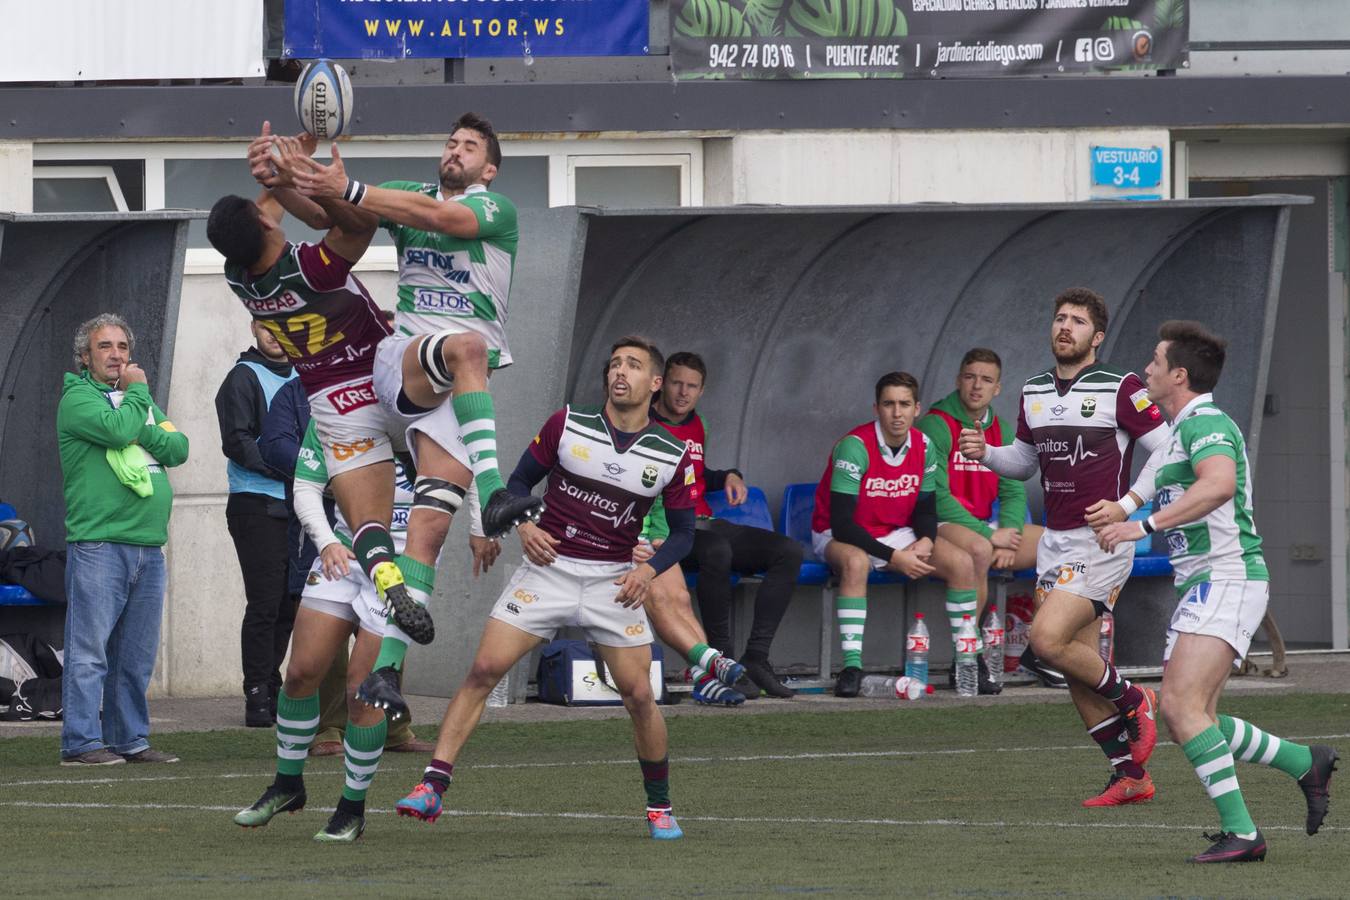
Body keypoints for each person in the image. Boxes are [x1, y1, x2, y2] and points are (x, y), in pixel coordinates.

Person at [272, 113, 542, 714]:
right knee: (467, 344)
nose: (455, 150)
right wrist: (284, 180)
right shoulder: (409, 195)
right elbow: (329, 217)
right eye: (450, 142)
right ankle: (497, 491)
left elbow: (442, 219)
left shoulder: (496, 211)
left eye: (469, 146)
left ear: (489, 168)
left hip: (455, 396)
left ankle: (386, 672)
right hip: (404, 365)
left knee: (427, 532)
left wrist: (349, 189)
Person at [393, 336, 696, 840]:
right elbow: (515, 484)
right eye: (615, 362)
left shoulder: (673, 454)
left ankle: (659, 806)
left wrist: (648, 571)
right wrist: (524, 527)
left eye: (634, 366)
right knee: (483, 670)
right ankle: (432, 786)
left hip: (613, 581)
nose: (621, 372)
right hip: (549, 571)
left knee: (640, 695)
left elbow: (685, 533)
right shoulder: (567, 423)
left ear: (655, 384)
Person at [1095, 321, 1338, 863]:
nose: (1147, 370)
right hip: (1208, 585)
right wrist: (1117, 513)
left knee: (1180, 707)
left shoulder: (1207, 423)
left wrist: (1142, 526)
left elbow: (1219, 483)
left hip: (1227, 577)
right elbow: (1140, 489)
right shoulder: (1179, 429)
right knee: (1192, 719)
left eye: (1156, 362)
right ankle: (1304, 762)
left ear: (1178, 374)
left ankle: (1244, 834)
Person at [209, 129, 435, 686]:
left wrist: (275, 175)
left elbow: (255, 219)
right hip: (380, 378)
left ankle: (382, 573)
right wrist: (317, 179)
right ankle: (486, 507)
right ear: (265, 225)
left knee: (369, 519)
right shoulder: (313, 269)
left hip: (330, 402)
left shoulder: (239, 277)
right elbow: (360, 223)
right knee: (453, 387)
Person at [958, 287, 1169, 807]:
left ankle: (1135, 698)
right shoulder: (1032, 390)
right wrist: (987, 453)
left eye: (1076, 321)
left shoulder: (1122, 386)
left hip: (1100, 541)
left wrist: (1127, 504)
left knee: (1047, 641)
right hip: (1055, 542)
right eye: (1059, 318)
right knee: (1074, 668)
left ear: (1096, 337)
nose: (1065, 327)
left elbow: (1170, 449)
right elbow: (1026, 462)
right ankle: (1130, 776)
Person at [256, 374, 434, 756]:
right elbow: (305, 487)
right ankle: (293, 771)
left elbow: (458, 489)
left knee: (363, 687)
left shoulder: (434, 420)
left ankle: (355, 797)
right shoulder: (334, 416)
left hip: (400, 565)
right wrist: (327, 543)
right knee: (302, 672)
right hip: (344, 556)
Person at [57, 314, 189, 765]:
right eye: (105, 347)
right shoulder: (77, 398)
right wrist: (137, 401)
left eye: (122, 347)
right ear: (85, 357)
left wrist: (140, 418)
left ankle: (129, 739)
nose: (116, 355)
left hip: (148, 545)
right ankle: (80, 743)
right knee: (90, 653)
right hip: (99, 543)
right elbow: (116, 431)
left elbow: (178, 447)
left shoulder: (137, 401)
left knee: (134, 656)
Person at [812, 371, 982, 698]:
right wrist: (895, 558)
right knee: (857, 562)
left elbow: (925, 510)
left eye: (904, 404)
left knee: (962, 562)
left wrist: (927, 540)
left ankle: (968, 662)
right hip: (838, 533)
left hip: (895, 533)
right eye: (889, 404)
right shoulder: (855, 446)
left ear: (917, 408)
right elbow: (843, 523)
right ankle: (852, 668)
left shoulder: (924, 446)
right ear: (876, 408)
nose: (897, 412)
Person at [917, 347, 1047, 693]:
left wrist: (1011, 533)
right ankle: (968, 656)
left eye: (986, 380)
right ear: (959, 380)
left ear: (997, 388)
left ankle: (1046, 647)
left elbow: (1014, 491)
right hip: (942, 524)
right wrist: (991, 537)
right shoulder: (936, 423)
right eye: (971, 377)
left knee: (1058, 543)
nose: (977, 386)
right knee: (977, 550)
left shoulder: (1002, 429)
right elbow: (937, 497)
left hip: (986, 530)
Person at [215, 318, 297, 726]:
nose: (276, 334)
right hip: (256, 505)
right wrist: (291, 471)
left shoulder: (305, 376)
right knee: (265, 602)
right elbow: (237, 443)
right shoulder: (243, 377)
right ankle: (256, 693)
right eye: (268, 326)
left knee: (290, 602)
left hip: (300, 506)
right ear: (253, 327)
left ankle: (273, 683)